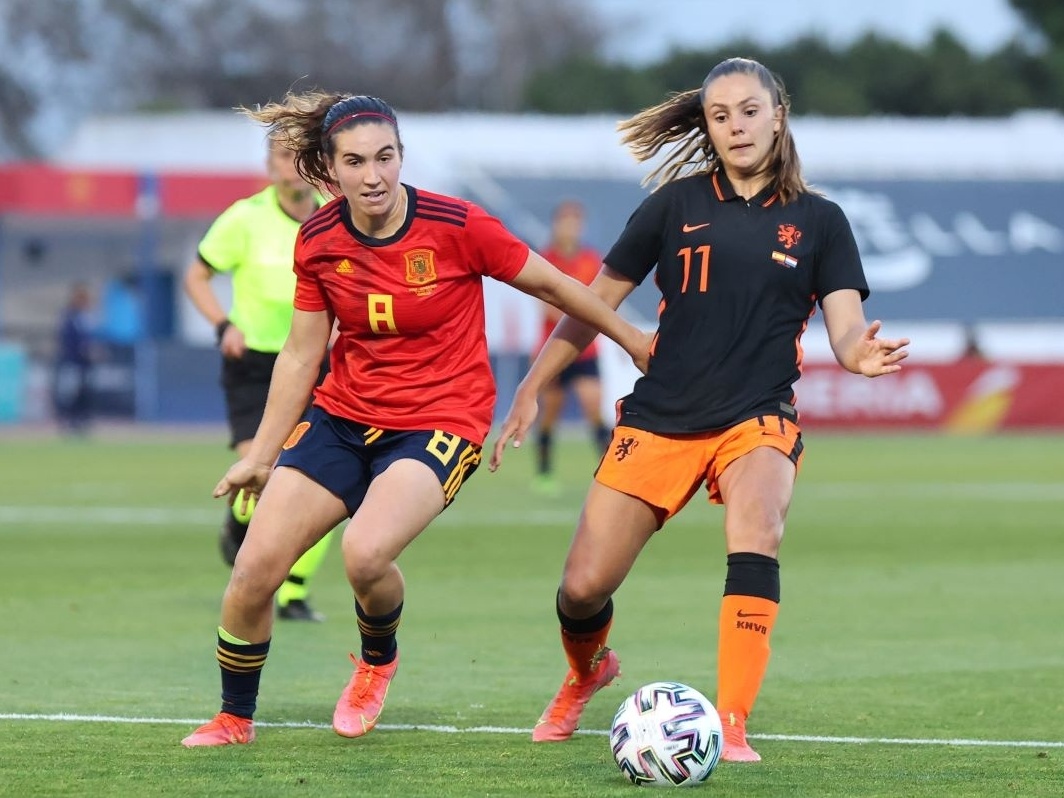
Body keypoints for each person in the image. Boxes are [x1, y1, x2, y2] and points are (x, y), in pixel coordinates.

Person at [180, 92, 651, 748]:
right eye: (355, 161)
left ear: (401, 157)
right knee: (254, 569)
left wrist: (629, 338)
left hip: (441, 421)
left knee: (364, 554)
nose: (373, 175)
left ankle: (377, 662)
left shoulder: (458, 225)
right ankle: (234, 718)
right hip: (342, 416)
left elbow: (553, 286)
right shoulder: (318, 240)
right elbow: (300, 353)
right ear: (330, 168)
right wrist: (261, 452)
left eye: (385, 157)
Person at [490, 57, 910, 763]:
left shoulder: (821, 221)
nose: (736, 125)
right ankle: (585, 672)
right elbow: (591, 302)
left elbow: (844, 326)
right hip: (660, 417)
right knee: (581, 588)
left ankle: (733, 722)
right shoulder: (672, 207)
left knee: (758, 531)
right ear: (707, 127)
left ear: (779, 115)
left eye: (750, 110)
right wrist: (532, 387)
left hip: (758, 417)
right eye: (720, 116)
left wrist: (855, 352)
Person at [183, 137, 333, 622]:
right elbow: (196, 276)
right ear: (269, 167)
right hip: (254, 364)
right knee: (259, 471)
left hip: (316, 363)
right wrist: (223, 325)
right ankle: (237, 525)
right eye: (282, 157)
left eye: (300, 156)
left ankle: (294, 591)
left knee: (322, 476)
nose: (292, 167)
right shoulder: (244, 218)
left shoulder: (336, 215)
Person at [531, 200, 612, 495]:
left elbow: (601, 298)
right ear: (556, 224)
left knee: (594, 406)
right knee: (550, 413)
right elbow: (545, 304)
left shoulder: (592, 259)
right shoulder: (545, 258)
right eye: (566, 221)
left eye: (576, 222)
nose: (570, 227)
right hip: (553, 348)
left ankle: (609, 469)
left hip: (586, 349)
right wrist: (581, 311)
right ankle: (544, 473)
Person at [53, 282, 96, 434]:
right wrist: (80, 351)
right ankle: (68, 423)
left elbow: (89, 339)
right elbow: (67, 339)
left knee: (84, 393)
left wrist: (92, 351)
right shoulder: (69, 317)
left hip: (85, 364)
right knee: (70, 393)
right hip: (71, 361)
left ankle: (81, 422)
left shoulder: (87, 318)